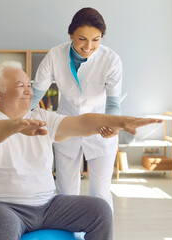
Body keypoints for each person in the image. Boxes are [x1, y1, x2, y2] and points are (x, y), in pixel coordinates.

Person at [0, 61, 161, 240]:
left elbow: (80, 122)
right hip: (0, 206)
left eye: (29, 85)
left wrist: (120, 122)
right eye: (21, 85)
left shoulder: (41, 116)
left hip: (47, 206)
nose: (29, 91)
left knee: (100, 210)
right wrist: (16, 126)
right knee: (6, 225)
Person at [30, 7, 122, 210]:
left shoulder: (111, 60)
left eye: (96, 40)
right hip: (67, 127)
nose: (89, 46)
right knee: (66, 192)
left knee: (100, 194)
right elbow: (35, 95)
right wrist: (14, 121)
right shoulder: (55, 55)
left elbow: (114, 104)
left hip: (101, 130)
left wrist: (113, 126)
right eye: (82, 38)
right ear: (71, 34)